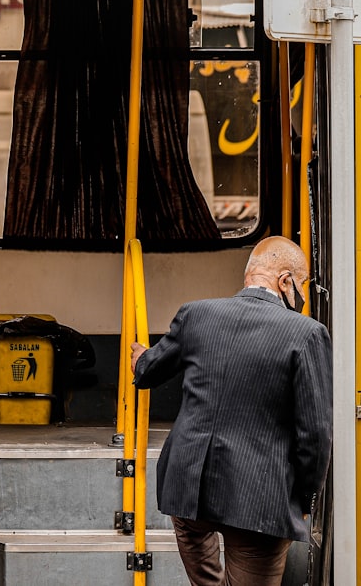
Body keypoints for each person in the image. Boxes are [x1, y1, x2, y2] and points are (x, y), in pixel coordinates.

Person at [130, 236, 332, 586]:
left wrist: (138, 359)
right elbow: (314, 432)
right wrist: (305, 497)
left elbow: (149, 371)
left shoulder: (195, 314)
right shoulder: (306, 333)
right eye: (302, 285)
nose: (302, 295)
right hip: (259, 498)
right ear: (285, 281)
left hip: (188, 488)